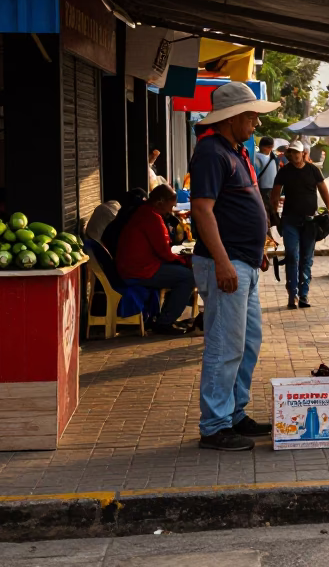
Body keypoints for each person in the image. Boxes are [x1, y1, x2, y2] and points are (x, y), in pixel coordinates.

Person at [188, 81, 280, 451]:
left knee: (247, 343)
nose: (256, 122)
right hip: (225, 266)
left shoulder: (237, 151)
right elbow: (202, 210)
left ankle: (234, 413)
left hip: (245, 264)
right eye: (252, 115)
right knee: (225, 346)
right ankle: (214, 425)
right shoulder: (211, 152)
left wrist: (258, 249)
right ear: (232, 117)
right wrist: (223, 261)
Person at [115, 184, 197, 336]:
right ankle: (165, 322)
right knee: (188, 277)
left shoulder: (144, 212)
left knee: (182, 273)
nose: (171, 211)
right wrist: (185, 261)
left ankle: (165, 316)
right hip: (140, 270)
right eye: (170, 206)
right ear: (160, 201)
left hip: (136, 267)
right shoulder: (151, 218)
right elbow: (164, 253)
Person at [270, 140, 329, 309]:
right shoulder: (284, 172)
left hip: (310, 222)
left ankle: (304, 294)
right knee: (292, 255)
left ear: (304, 154)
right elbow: (275, 194)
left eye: (296, 153)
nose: (293, 155)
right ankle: (293, 294)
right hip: (290, 221)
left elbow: (324, 191)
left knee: (306, 259)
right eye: (291, 152)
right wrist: (274, 215)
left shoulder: (313, 170)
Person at [253, 136, 280, 218]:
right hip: (264, 189)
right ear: (265, 147)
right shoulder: (258, 158)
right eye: (270, 147)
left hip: (270, 188)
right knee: (266, 210)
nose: (271, 149)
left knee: (268, 210)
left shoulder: (269, 157)